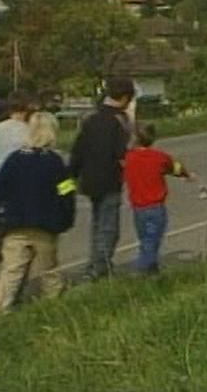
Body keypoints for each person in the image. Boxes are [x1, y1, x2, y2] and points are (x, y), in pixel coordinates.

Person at [0, 112, 76, 320]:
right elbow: (67, 192)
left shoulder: (14, 159)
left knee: (10, 271)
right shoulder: (55, 162)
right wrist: (65, 219)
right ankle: (54, 309)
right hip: (45, 225)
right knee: (49, 271)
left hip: (15, 224)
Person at [69, 76, 135, 281]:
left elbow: (77, 151)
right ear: (125, 98)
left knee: (97, 223)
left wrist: (69, 180)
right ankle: (100, 267)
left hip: (88, 180)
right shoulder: (120, 121)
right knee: (108, 227)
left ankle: (94, 263)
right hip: (109, 179)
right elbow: (123, 154)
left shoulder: (90, 119)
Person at [122, 123, 198, 274]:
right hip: (155, 207)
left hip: (138, 208)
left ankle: (152, 271)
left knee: (145, 239)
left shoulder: (129, 158)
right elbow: (176, 168)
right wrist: (187, 175)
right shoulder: (158, 157)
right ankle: (142, 270)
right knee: (152, 241)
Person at [0, 92, 36, 297]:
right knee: (19, 249)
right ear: (26, 109)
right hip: (20, 197)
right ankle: (13, 292)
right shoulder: (29, 133)